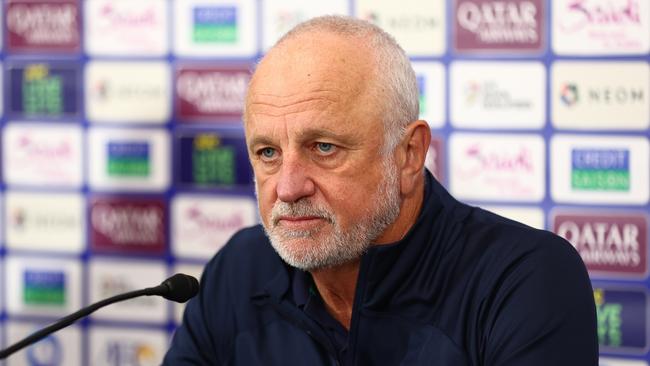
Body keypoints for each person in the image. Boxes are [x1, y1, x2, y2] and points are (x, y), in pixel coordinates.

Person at [164, 15, 598, 365]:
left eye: (324, 147)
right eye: (267, 153)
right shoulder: (238, 271)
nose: (289, 187)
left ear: (409, 154)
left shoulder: (523, 281)